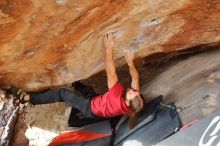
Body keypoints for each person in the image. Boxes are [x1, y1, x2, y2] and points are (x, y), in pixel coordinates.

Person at [10, 33, 144, 129]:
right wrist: (130, 63)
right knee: (88, 91)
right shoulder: (131, 107)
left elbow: (111, 72)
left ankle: (27, 98)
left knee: (62, 93)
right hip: (100, 105)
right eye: (136, 92)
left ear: (127, 101)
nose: (133, 90)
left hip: (89, 109)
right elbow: (136, 79)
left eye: (132, 93)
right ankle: (77, 85)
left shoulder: (116, 96)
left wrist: (108, 49)